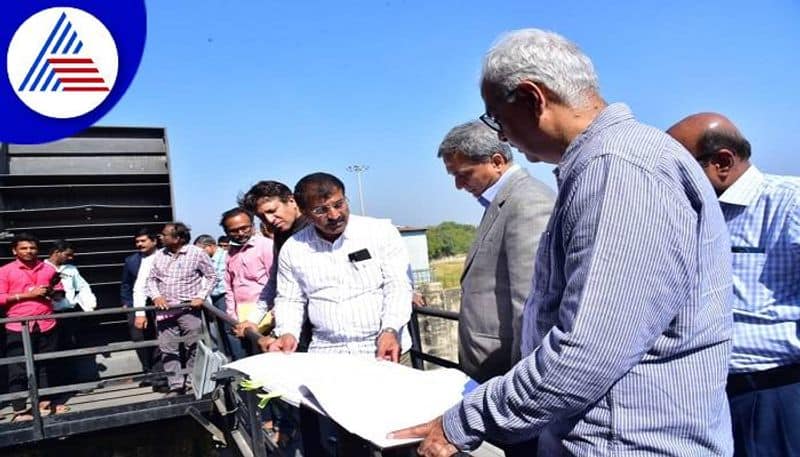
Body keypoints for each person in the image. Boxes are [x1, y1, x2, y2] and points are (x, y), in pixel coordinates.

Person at [392, 28, 734, 456]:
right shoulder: (608, 163)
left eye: (498, 119)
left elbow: (586, 352)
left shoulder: (619, 170)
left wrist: (466, 419)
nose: (501, 136)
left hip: (627, 442)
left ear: (534, 99)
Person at [667, 112, 800, 457]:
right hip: (706, 398)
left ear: (722, 162)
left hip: (774, 396)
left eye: (678, 167)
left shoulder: (789, 204)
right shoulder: (692, 214)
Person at [438, 120, 554, 384]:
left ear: (497, 161)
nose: (458, 185)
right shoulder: (504, 202)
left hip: (506, 374)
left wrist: (521, 384)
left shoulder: (527, 203)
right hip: (489, 369)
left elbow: (530, 305)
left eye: (464, 174)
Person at [267, 172, 412, 361]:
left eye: (339, 204)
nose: (334, 215)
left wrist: (391, 329)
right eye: (320, 210)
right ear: (304, 211)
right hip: (327, 354)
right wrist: (287, 332)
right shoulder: (293, 248)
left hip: (384, 348)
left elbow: (398, 285)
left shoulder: (380, 232)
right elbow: (290, 299)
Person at [235, 180, 311, 349]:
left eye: (272, 211)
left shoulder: (316, 229)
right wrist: (254, 319)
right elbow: (275, 280)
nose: (269, 220)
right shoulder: (281, 235)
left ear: (291, 201)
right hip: (296, 328)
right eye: (262, 217)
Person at [145, 222, 216, 395]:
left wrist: (201, 296)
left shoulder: (197, 253)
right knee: (168, 348)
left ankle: (193, 383)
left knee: (194, 347)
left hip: (188, 310)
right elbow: (151, 280)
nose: (161, 237)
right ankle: (176, 385)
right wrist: (156, 296)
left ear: (178, 238)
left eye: (165, 234)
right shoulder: (160, 255)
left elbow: (211, 276)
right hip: (165, 311)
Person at [0, 233, 64, 420]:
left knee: (46, 364)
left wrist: (52, 292)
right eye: (24, 248)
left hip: (46, 323)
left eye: (32, 248)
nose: (29, 251)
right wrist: (28, 295)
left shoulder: (47, 269)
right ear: (14, 250)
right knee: (18, 367)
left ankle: (44, 403)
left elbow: (59, 294)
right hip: (18, 326)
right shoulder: (5, 271)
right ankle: (19, 410)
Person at [219, 207, 273, 358]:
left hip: (264, 312)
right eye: (234, 230)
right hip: (240, 312)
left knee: (263, 355)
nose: (241, 233)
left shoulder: (266, 246)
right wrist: (231, 315)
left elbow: (275, 282)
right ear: (227, 232)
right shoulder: (230, 252)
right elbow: (229, 286)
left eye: (244, 228)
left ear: (252, 226)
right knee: (246, 356)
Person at [45, 240, 98, 389]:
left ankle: (71, 384)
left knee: (70, 347)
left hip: (69, 313)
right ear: (57, 252)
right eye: (68, 255)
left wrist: (89, 304)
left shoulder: (71, 269)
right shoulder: (42, 268)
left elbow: (82, 287)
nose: (70, 258)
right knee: (52, 349)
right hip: (50, 314)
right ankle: (55, 385)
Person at [121, 228, 165, 390]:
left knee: (159, 341)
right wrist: (127, 303)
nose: (139, 244)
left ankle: (159, 377)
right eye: (137, 242)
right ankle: (148, 373)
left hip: (159, 305)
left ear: (154, 241)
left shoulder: (164, 256)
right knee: (139, 340)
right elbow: (126, 284)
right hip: (137, 305)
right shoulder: (131, 261)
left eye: (143, 241)